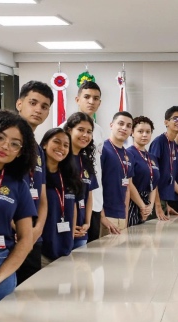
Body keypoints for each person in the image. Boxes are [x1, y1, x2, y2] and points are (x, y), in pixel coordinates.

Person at [0, 110, 37, 313]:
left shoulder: (18, 185)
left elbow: (25, 238)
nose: (5, 146)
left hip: (2, 265)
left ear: (20, 152)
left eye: (15, 144)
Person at [14, 80, 52, 284]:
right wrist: (21, 229)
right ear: (19, 103)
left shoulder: (38, 149)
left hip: (34, 234)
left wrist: (37, 229)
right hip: (10, 233)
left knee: (28, 292)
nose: (38, 110)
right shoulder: (6, 141)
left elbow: (42, 194)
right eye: (33, 102)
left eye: (44, 106)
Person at [62, 81, 107, 243]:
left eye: (96, 98)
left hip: (93, 200)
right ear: (77, 99)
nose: (91, 101)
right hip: (69, 202)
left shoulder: (100, 131)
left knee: (90, 254)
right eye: (86, 97)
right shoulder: (63, 129)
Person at [39, 128, 82, 265]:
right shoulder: (37, 175)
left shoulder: (69, 175)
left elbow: (73, 207)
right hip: (41, 248)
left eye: (66, 145)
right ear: (44, 144)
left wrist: (70, 238)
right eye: (56, 142)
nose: (61, 148)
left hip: (65, 247)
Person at [63, 112, 99, 248]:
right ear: (69, 130)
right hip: (63, 228)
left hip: (81, 230)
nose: (85, 135)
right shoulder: (60, 158)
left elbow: (89, 195)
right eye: (81, 130)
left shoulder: (86, 161)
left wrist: (87, 222)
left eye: (89, 132)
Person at [100, 111, 135, 236]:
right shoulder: (102, 149)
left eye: (129, 126)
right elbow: (97, 186)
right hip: (105, 215)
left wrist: (125, 215)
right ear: (111, 125)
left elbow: (127, 189)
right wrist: (102, 216)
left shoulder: (129, 155)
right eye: (121, 124)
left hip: (121, 215)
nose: (124, 128)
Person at [150, 106, 178, 216]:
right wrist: (158, 205)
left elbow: (168, 174)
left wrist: (165, 205)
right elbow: (153, 176)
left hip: (165, 200)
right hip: (154, 201)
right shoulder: (159, 142)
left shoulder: (173, 144)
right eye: (175, 118)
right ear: (166, 122)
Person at [127, 116, 162, 225]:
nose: (144, 135)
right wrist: (142, 206)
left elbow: (154, 183)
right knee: (132, 238)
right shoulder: (128, 154)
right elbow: (129, 183)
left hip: (147, 204)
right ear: (132, 132)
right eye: (140, 131)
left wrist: (150, 206)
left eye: (148, 132)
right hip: (132, 202)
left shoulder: (152, 157)